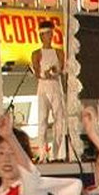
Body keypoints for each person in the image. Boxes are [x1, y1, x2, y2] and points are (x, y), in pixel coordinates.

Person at [30, 19, 68, 161]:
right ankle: (43, 154)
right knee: (42, 119)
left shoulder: (58, 52)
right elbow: (36, 72)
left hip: (55, 85)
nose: (50, 36)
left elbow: (61, 69)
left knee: (59, 119)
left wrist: (55, 71)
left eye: (51, 33)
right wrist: (43, 74)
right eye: (47, 34)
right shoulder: (36, 53)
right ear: (41, 36)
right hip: (43, 85)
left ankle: (58, 153)